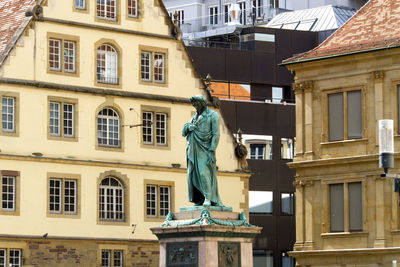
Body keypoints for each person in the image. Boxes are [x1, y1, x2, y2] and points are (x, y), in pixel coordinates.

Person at [182, 95, 223, 207]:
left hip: (205, 150)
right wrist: (188, 127)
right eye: (194, 105)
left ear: (202, 103)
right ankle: (199, 198)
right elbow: (183, 132)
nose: (195, 107)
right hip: (193, 150)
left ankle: (208, 198)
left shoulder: (212, 115)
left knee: (203, 173)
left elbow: (216, 134)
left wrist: (211, 150)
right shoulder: (194, 116)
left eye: (196, 104)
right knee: (193, 174)